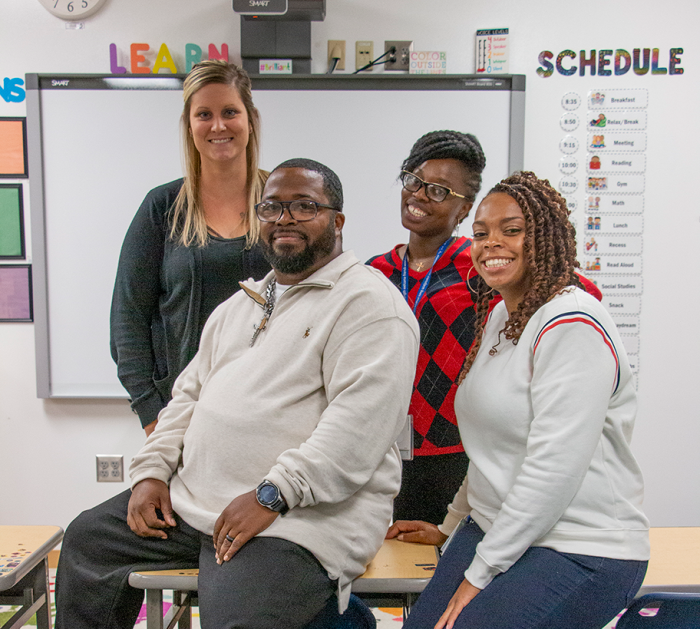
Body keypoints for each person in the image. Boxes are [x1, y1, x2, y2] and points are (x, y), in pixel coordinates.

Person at [56, 159, 420, 629]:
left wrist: (273, 495)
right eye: (271, 208)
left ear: (338, 221)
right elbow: (187, 397)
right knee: (89, 541)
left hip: (297, 517)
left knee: (239, 620)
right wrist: (151, 473)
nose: (284, 218)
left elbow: (356, 432)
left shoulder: (370, 306)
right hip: (196, 505)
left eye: (304, 206)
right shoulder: (242, 304)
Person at [393, 171, 649, 629]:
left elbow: (552, 471)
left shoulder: (572, 325)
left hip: (580, 545)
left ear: (544, 237)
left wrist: (481, 571)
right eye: (481, 233)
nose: (492, 243)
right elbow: (493, 450)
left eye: (511, 230)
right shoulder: (499, 316)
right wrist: (450, 527)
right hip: (496, 529)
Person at [110, 60, 271, 435]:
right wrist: (152, 415)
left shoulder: (281, 202)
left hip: (270, 410)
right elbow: (127, 320)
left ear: (250, 119)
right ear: (189, 125)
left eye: (230, 111)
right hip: (182, 413)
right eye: (204, 114)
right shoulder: (163, 207)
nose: (218, 126)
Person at [368, 130, 489, 525]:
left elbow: (570, 289)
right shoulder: (374, 272)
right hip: (380, 448)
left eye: (438, 191)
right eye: (414, 181)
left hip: (458, 452)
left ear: (465, 208)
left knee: (443, 565)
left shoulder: (479, 267)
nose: (419, 195)